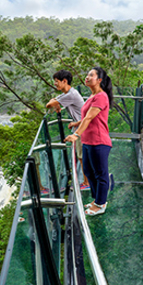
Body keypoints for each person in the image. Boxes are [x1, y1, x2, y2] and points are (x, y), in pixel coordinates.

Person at [64, 67, 113, 216]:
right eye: (87, 75)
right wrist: (76, 124)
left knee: (100, 174)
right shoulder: (91, 97)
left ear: (99, 80)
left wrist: (76, 134)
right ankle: (97, 199)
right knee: (89, 173)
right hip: (88, 141)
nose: (87, 77)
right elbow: (86, 118)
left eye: (91, 75)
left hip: (99, 141)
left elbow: (90, 118)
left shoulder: (101, 96)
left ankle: (100, 204)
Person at [46, 70, 89, 189]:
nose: (55, 84)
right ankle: (87, 181)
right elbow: (55, 100)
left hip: (83, 128)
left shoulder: (71, 94)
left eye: (56, 81)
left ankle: (87, 183)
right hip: (80, 125)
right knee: (81, 156)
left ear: (64, 81)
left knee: (82, 156)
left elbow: (49, 105)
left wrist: (54, 103)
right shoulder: (68, 93)